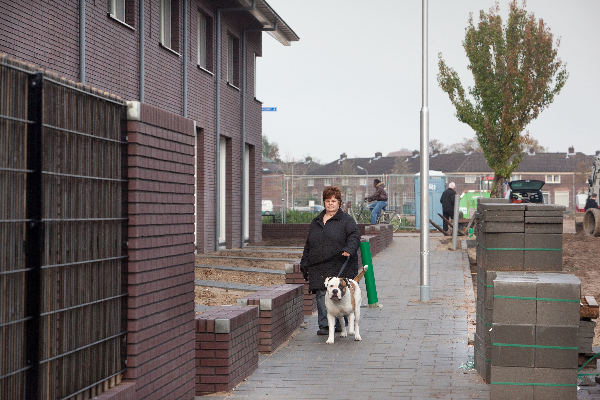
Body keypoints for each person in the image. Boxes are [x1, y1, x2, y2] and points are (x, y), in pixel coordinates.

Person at [300, 186, 361, 336]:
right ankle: (325, 325)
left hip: (339, 263)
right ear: (324, 202)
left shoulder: (346, 221)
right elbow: (309, 243)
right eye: (327, 201)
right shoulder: (316, 221)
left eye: (334, 201)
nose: (330, 204)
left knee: (339, 293)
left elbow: (354, 236)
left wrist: (349, 249)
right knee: (322, 294)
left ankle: (342, 324)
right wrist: (304, 261)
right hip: (318, 265)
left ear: (339, 202)